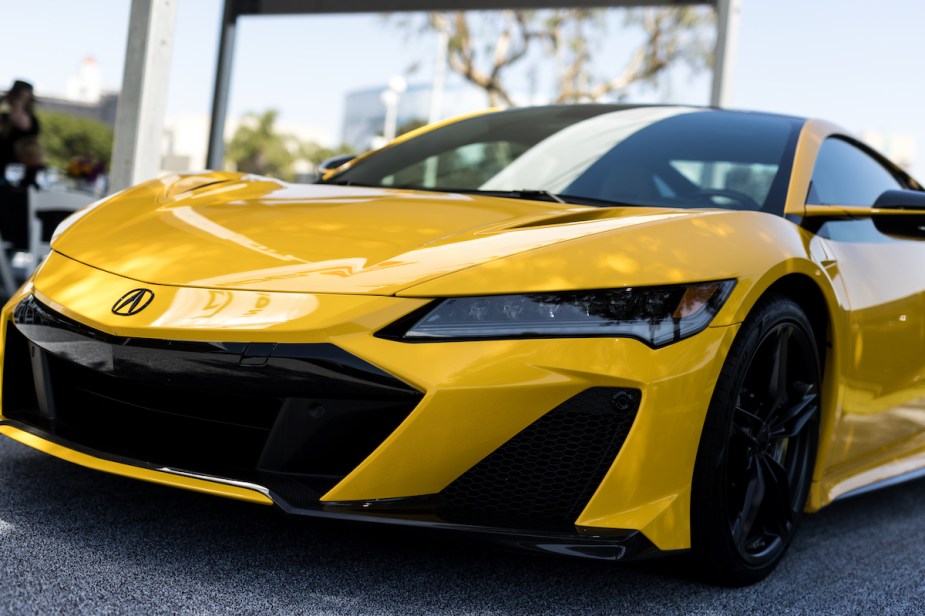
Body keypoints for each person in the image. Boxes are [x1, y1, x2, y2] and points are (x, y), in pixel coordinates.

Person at [0, 80, 42, 174]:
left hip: (16, 172)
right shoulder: (7, 116)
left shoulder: (29, 119)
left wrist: (19, 99)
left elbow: (15, 118)